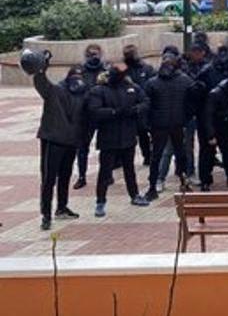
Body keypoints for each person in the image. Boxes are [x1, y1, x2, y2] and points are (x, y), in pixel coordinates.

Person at [26, 51, 86, 230]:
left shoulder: (83, 95)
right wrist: (42, 67)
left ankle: (61, 207)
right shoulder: (55, 91)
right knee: (48, 179)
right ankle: (46, 214)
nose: (78, 80)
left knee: (64, 176)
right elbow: (40, 82)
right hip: (53, 141)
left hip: (70, 142)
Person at [87, 63, 151, 216]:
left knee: (129, 169)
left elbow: (145, 101)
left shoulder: (131, 88)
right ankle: (100, 201)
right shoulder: (100, 90)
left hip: (128, 135)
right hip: (108, 137)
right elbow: (94, 111)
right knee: (105, 172)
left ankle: (134, 195)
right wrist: (114, 112)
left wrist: (135, 110)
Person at [142, 53, 199, 201]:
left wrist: (148, 124)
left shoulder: (152, 83)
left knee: (159, 156)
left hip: (161, 125)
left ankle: (154, 186)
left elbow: (146, 106)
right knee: (179, 154)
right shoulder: (185, 81)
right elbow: (192, 103)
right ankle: (182, 181)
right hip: (176, 124)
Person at [73, 43, 107, 189]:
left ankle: (107, 175)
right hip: (85, 115)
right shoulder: (79, 71)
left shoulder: (106, 70)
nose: (94, 57)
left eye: (96, 54)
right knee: (82, 148)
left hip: (102, 114)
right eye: (91, 54)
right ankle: (82, 176)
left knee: (107, 147)